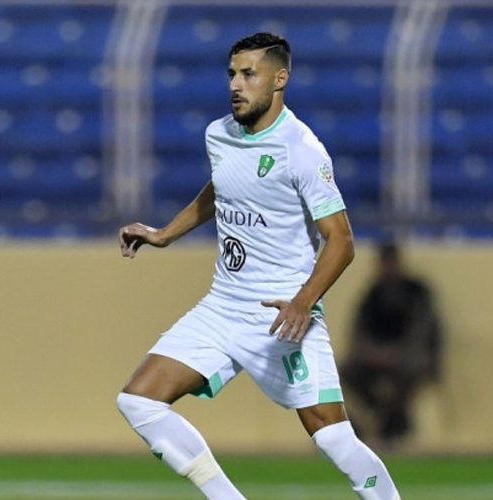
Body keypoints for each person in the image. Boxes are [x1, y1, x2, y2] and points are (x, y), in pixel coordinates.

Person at [116, 33, 400, 500]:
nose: (236, 84)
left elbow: (342, 241)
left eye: (249, 74)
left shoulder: (301, 150)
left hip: (281, 313)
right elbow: (223, 186)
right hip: (222, 305)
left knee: (333, 438)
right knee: (138, 400)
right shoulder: (219, 134)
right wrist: (165, 234)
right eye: (232, 74)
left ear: (279, 79)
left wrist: (303, 303)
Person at [342, 243, 442, 446]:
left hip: (408, 357)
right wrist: (374, 353)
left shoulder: (416, 292)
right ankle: (385, 415)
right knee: (346, 371)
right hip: (376, 358)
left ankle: (395, 421)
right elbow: (360, 333)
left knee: (409, 370)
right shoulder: (373, 295)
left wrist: (396, 353)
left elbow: (423, 331)